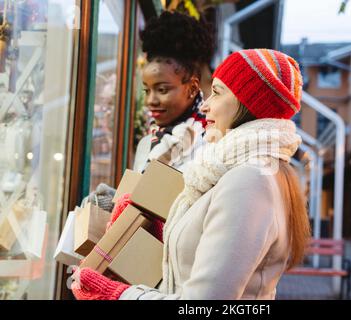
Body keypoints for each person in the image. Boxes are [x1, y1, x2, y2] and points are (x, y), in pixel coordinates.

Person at [71, 49, 311, 300]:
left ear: (248, 104)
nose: (205, 105)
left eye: (217, 92)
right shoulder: (239, 170)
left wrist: (117, 295)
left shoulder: (250, 179)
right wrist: (158, 225)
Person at [86, 11, 214, 213]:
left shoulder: (212, 141)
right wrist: (113, 202)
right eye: (147, 90)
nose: (151, 101)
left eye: (162, 90)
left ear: (191, 87)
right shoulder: (149, 143)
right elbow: (142, 204)